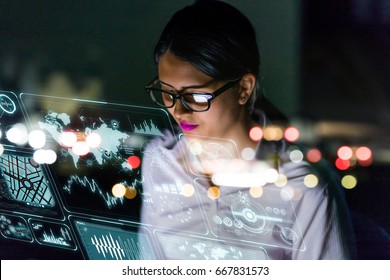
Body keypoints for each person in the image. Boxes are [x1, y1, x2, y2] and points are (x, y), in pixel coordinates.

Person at [139, 0, 356, 260]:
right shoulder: (161, 161)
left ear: (243, 88)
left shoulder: (302, 188)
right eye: (166, 93)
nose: (179, 111)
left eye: (196, 96)